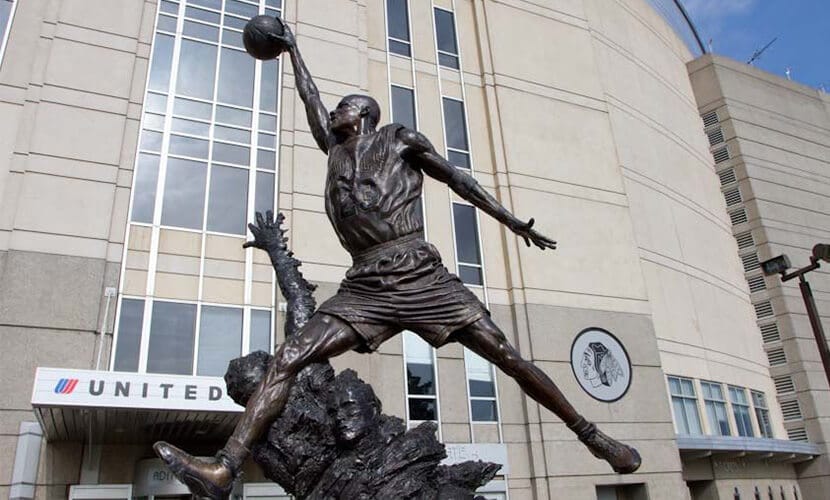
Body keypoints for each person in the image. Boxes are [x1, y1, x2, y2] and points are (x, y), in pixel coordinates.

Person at [154, 21, 641, 498]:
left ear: (363, 113)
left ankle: (592, 436)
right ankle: (224, 469)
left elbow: (456, 179)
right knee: (287, 358)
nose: (335, 113)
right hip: (366, 284)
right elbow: (310, 98)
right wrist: (293, 49)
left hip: (420, 272)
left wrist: (511, 221)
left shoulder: (399, 137)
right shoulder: (335, 151)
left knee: (507, 357)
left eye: (344, 107)